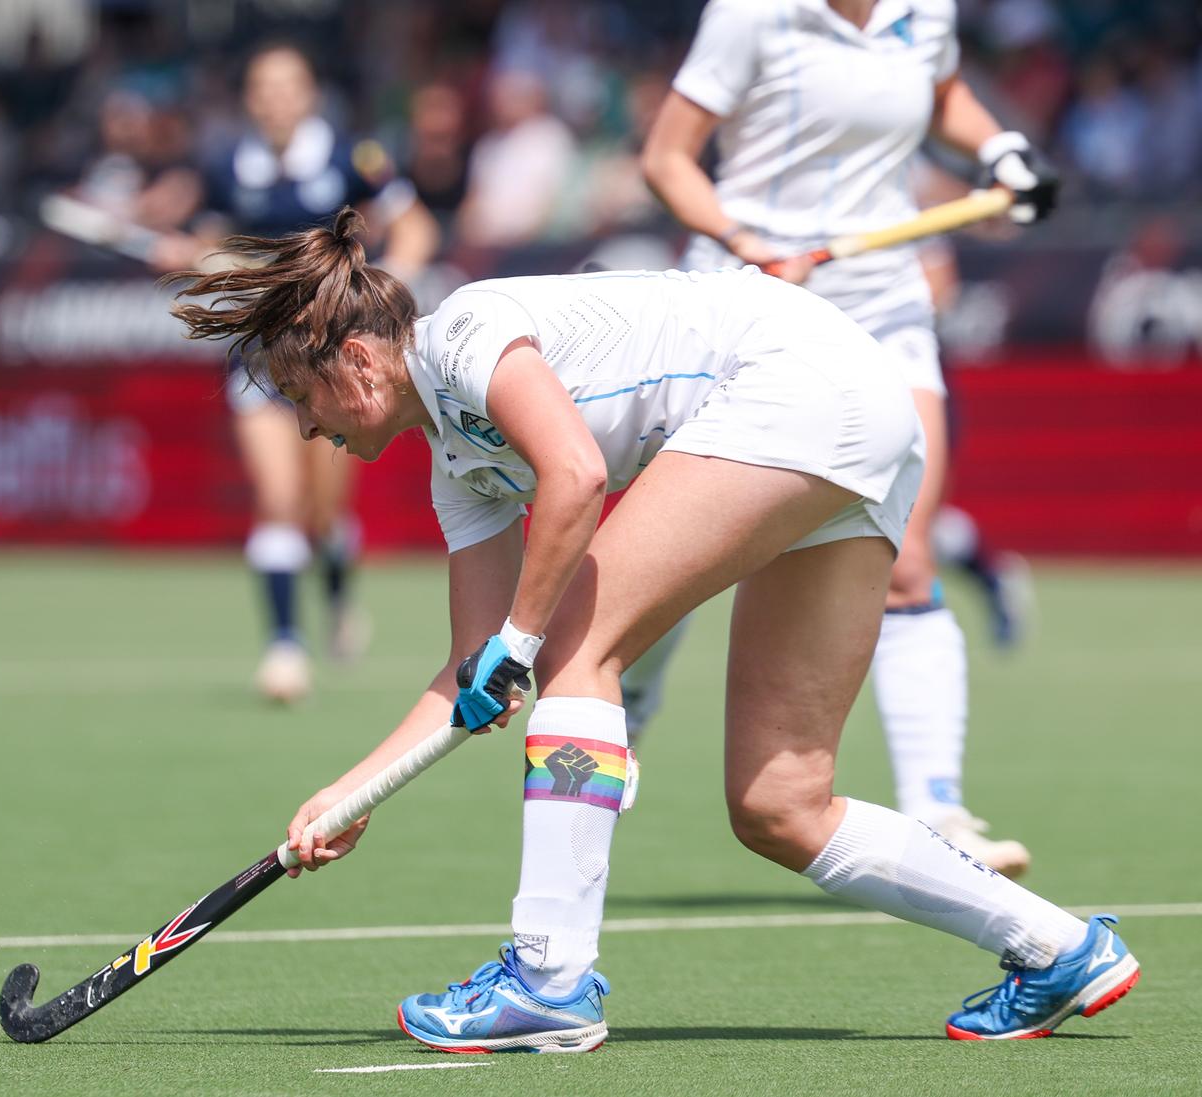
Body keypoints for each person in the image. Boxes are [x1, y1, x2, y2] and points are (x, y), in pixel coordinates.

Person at [171, 209, 1137, 1052]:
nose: (305, 430)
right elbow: (473, 667)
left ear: (358, 359)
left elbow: (578, 476)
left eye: (301, 398)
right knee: (781, 803)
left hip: (796, 383)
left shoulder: (463, 332)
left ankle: (546, 980)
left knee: (574, 652)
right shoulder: (455, 468)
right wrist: (348, 792)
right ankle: (1061, 950)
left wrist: (524, 638)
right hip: (856, 419)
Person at [635, 0, 1061, 873]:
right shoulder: (751, 14)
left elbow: (940, 93)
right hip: (747, 297)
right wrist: (740, 238)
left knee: (905, 561)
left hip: (882, 302)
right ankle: (625, 704)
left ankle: (941, 808)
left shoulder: (925, 9)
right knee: (673, 539)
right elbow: (667, 157)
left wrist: (999, 149)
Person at [150, 42, 440, 702]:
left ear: (308, 94)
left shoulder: (350, 158)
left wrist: (380, 295)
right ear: (250, 99)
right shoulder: (226, 165)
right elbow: (214, 248)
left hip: (332, 354)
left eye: (289, 86)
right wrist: (188, 256)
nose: (276, 99)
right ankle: (284, 646)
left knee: (322, 511)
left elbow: (416, 227)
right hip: (260, 356)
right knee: (277, 499)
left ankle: (338, 598)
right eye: (263, 87)